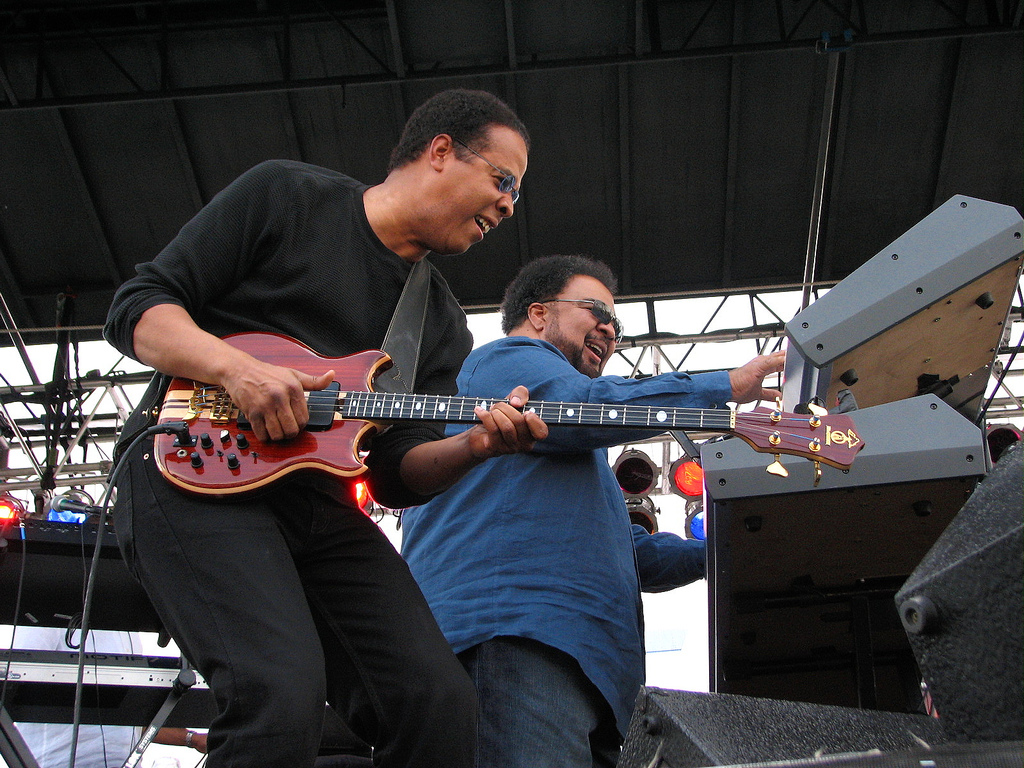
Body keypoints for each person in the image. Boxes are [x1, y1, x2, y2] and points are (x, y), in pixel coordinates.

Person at [102, 88, 547, 768]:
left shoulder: (441, 321)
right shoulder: (287, 196)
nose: (510, 205)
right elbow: (137, 308)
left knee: (439, 706)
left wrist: (476, 446)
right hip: (187, 468)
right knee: (277, 698)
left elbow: (395, 473)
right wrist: (237, 369)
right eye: (503, 181)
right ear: (440, 152)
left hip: (318, 504)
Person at [401, 254, 786, 768]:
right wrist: (726, 387)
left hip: (590, 673)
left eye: (617, 324)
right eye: (595, 311)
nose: (610, 330)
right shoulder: (508, 360)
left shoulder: (577, 463)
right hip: (516, 639)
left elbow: (630, 557)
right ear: (538, 314)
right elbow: (590, 405)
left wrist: (725, 547)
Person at [11, 626, 208, 767]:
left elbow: (130, 720)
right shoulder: (51, 615)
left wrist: (192, 739)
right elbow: (15, 679)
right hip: (62, 761)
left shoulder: (127, 631)